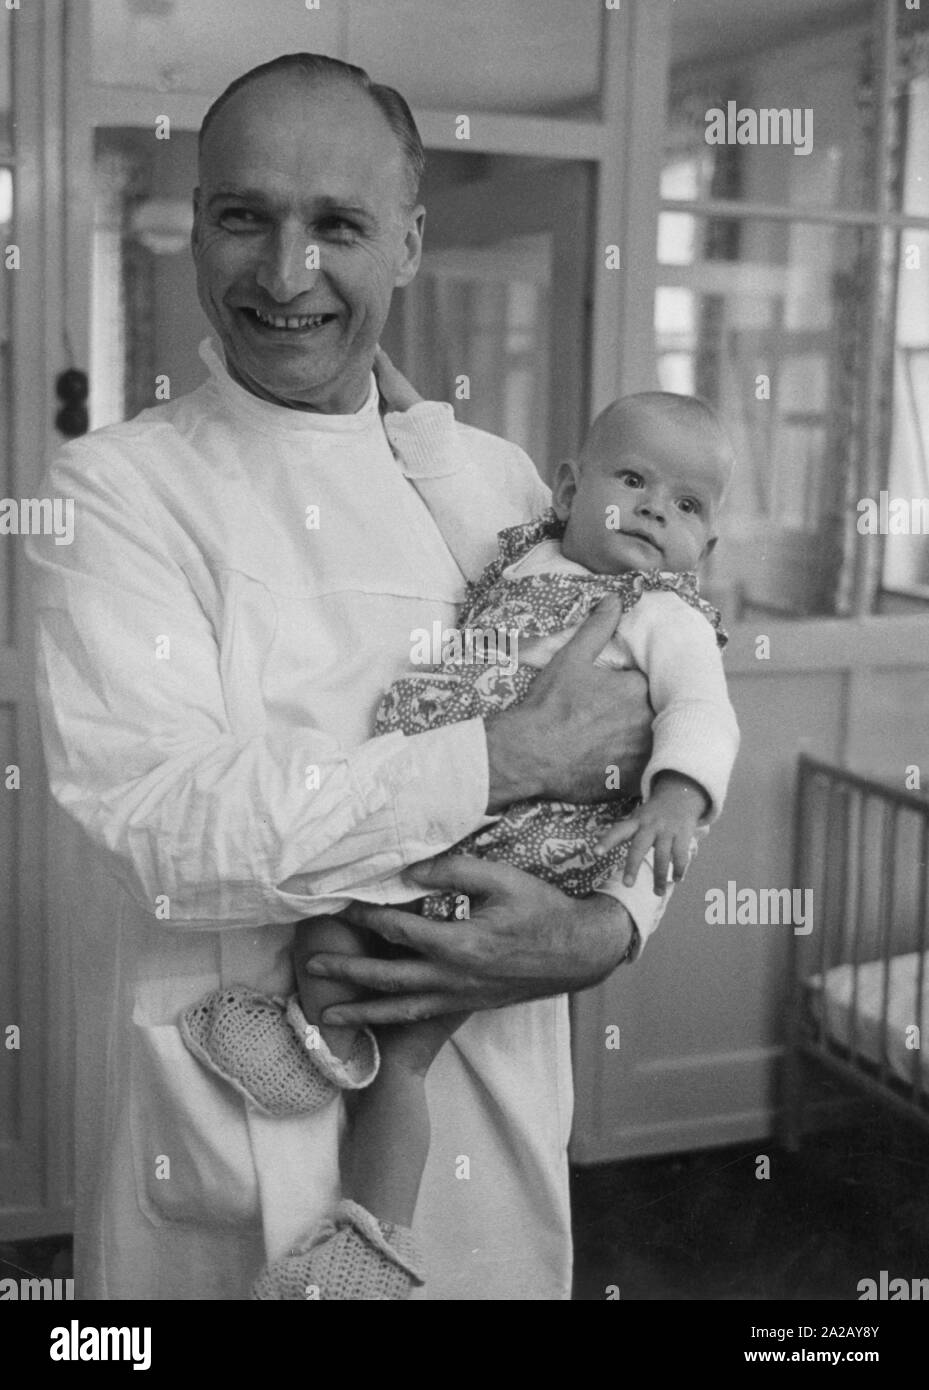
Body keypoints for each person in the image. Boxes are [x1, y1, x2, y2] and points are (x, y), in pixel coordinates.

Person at [28, 51, 668, 1301]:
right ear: (198, 227)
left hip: (493, 1122)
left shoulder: (498, 485)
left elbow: (649, 740)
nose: (285, 274)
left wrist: (604, 928)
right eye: (243, 217)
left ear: (409, 245)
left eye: (337, 225)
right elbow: (164, 821)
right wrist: (501, 759)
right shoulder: (114, 492)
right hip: (225, 1144)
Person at [181, 374, 740, 1121]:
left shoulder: (666, 617)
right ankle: (326, 1052)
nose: (652, 508)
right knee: (327, 932)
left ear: (703, 546)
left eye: (685, 504)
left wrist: (678, 794)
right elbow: (448, 488)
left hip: (538, 844)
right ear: (570, 494)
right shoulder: (524, 555)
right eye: (633, 479)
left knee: (413, 1041)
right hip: (451, 801)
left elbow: (702, 708)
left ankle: (372, 1221)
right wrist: (400, 400)